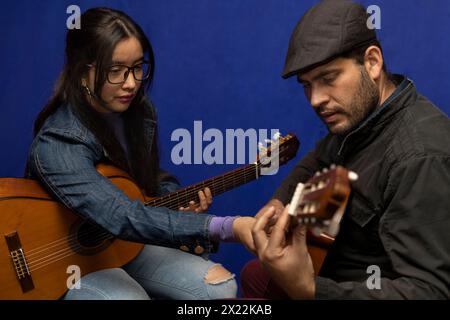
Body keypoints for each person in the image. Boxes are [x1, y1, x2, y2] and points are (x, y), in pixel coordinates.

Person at [26, 7, 255, 300]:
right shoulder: (59, 141)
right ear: (83, 72)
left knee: (221, 288)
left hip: (124, 243)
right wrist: (226, 226)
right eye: (116, 71)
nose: (132, 82)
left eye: (137, 67)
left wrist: (178, 204)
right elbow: (119, 213)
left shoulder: (140, 112)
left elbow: (146, 182)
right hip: (64, 262)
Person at [241, 0, 450, 299]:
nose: (315, 99)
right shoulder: (359, 116)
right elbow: (317, 159)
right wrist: (279, 201)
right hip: (330, 267)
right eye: (307, 85)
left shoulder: (421, 157)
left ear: (372, 62)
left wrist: (308, 289)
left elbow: (430, 292)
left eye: (328, 79)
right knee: (254, 274)